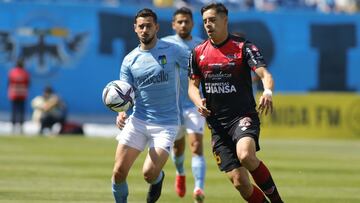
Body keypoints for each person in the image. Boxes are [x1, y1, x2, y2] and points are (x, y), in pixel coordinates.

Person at [188, 3, 283, 203]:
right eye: (205, 21)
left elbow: (264, 73)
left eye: (213, 20)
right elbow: (192, 87)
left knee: (246, 156)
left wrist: (267, 91)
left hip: (242, 116)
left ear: (225, 20)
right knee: (241, 184)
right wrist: (198, 101)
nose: (208, 25)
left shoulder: (244, 47)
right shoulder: (197, 53)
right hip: (217, 125)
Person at [111, 8, 188, 203]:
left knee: (149, 174)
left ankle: (158, 179)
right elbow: (124, 92)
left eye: (149, 26)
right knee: (118, 173)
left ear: (156, 27)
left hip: (166, 124)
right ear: (135, 29)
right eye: (141, 26)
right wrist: (121, 113)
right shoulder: (129, 60)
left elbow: (197, 66)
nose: (145, 30)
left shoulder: (173, 50)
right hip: (138, 120)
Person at [161, 7, 206, 202]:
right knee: (178, 149)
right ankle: (180, 173)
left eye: (186, 21)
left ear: (192, 24)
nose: (183, 25)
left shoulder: (200, 46)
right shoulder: (164, 44)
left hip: (194, 104)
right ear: (173, 24)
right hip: (173, 106)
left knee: (196, 145)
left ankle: (199, 189)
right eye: (179, 21)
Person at [7, 59, 30, 134]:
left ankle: (13, 126)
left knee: (14, 111)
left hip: (14, 94)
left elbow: (9, 83)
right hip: (22, 94)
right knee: (21, 111)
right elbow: (28, 83)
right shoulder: (25, 73)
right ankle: (21, 126)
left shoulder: (12, 72)